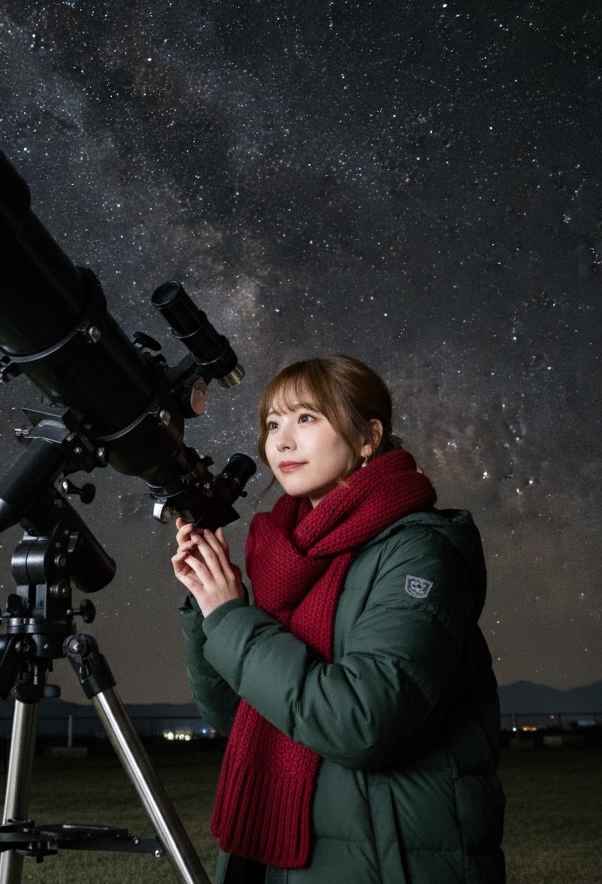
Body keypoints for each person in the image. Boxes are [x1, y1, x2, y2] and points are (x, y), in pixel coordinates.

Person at [173, 354, 505, 884]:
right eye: (272, 424)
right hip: (271, 859)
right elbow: (236, 713)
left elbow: (363, 720)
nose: (280, 442)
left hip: (385, 863)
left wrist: (234, 619)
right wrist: (210, 603)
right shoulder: (285, 556)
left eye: (306, 418)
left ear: (369, 437)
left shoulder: (418, 553)